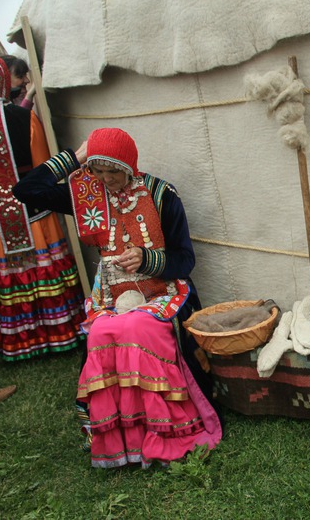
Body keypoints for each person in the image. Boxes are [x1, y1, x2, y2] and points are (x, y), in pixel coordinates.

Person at [13, 127, 222, 468]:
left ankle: (165, 430)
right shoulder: (87, 197)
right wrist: (76, 157)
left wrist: (147, 259)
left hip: (162, 288)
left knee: (139, 328)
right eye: (98, 170)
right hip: (112, 292)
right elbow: (26, 190)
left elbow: (186, 259)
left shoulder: (161, 195)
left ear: (130, 166)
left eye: (114, 170)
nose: (106, 179)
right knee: (101, 332)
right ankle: (126, 435)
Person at [0, 53, 85, 361]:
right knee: (42, 269)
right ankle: (58, 332)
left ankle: (16, 342)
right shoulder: (24, 117)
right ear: (1, 81)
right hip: (34, 213)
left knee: (5, 275)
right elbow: (43, 168)